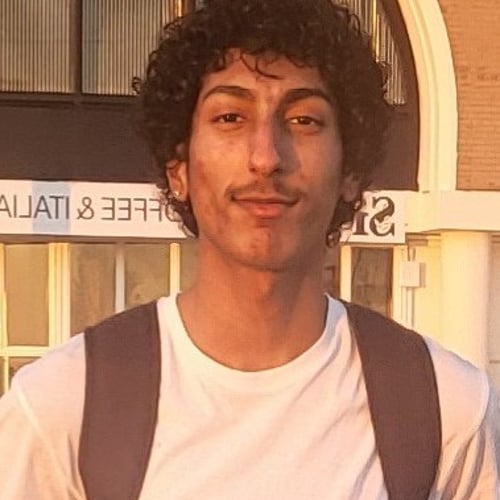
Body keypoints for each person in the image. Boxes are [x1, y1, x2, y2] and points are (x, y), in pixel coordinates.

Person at [1, 0, 499, 498]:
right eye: (230, 117)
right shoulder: (63, 406)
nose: (266, 157)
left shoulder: (447, 409)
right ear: (179, 168)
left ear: (349, 171)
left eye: (304, 120)